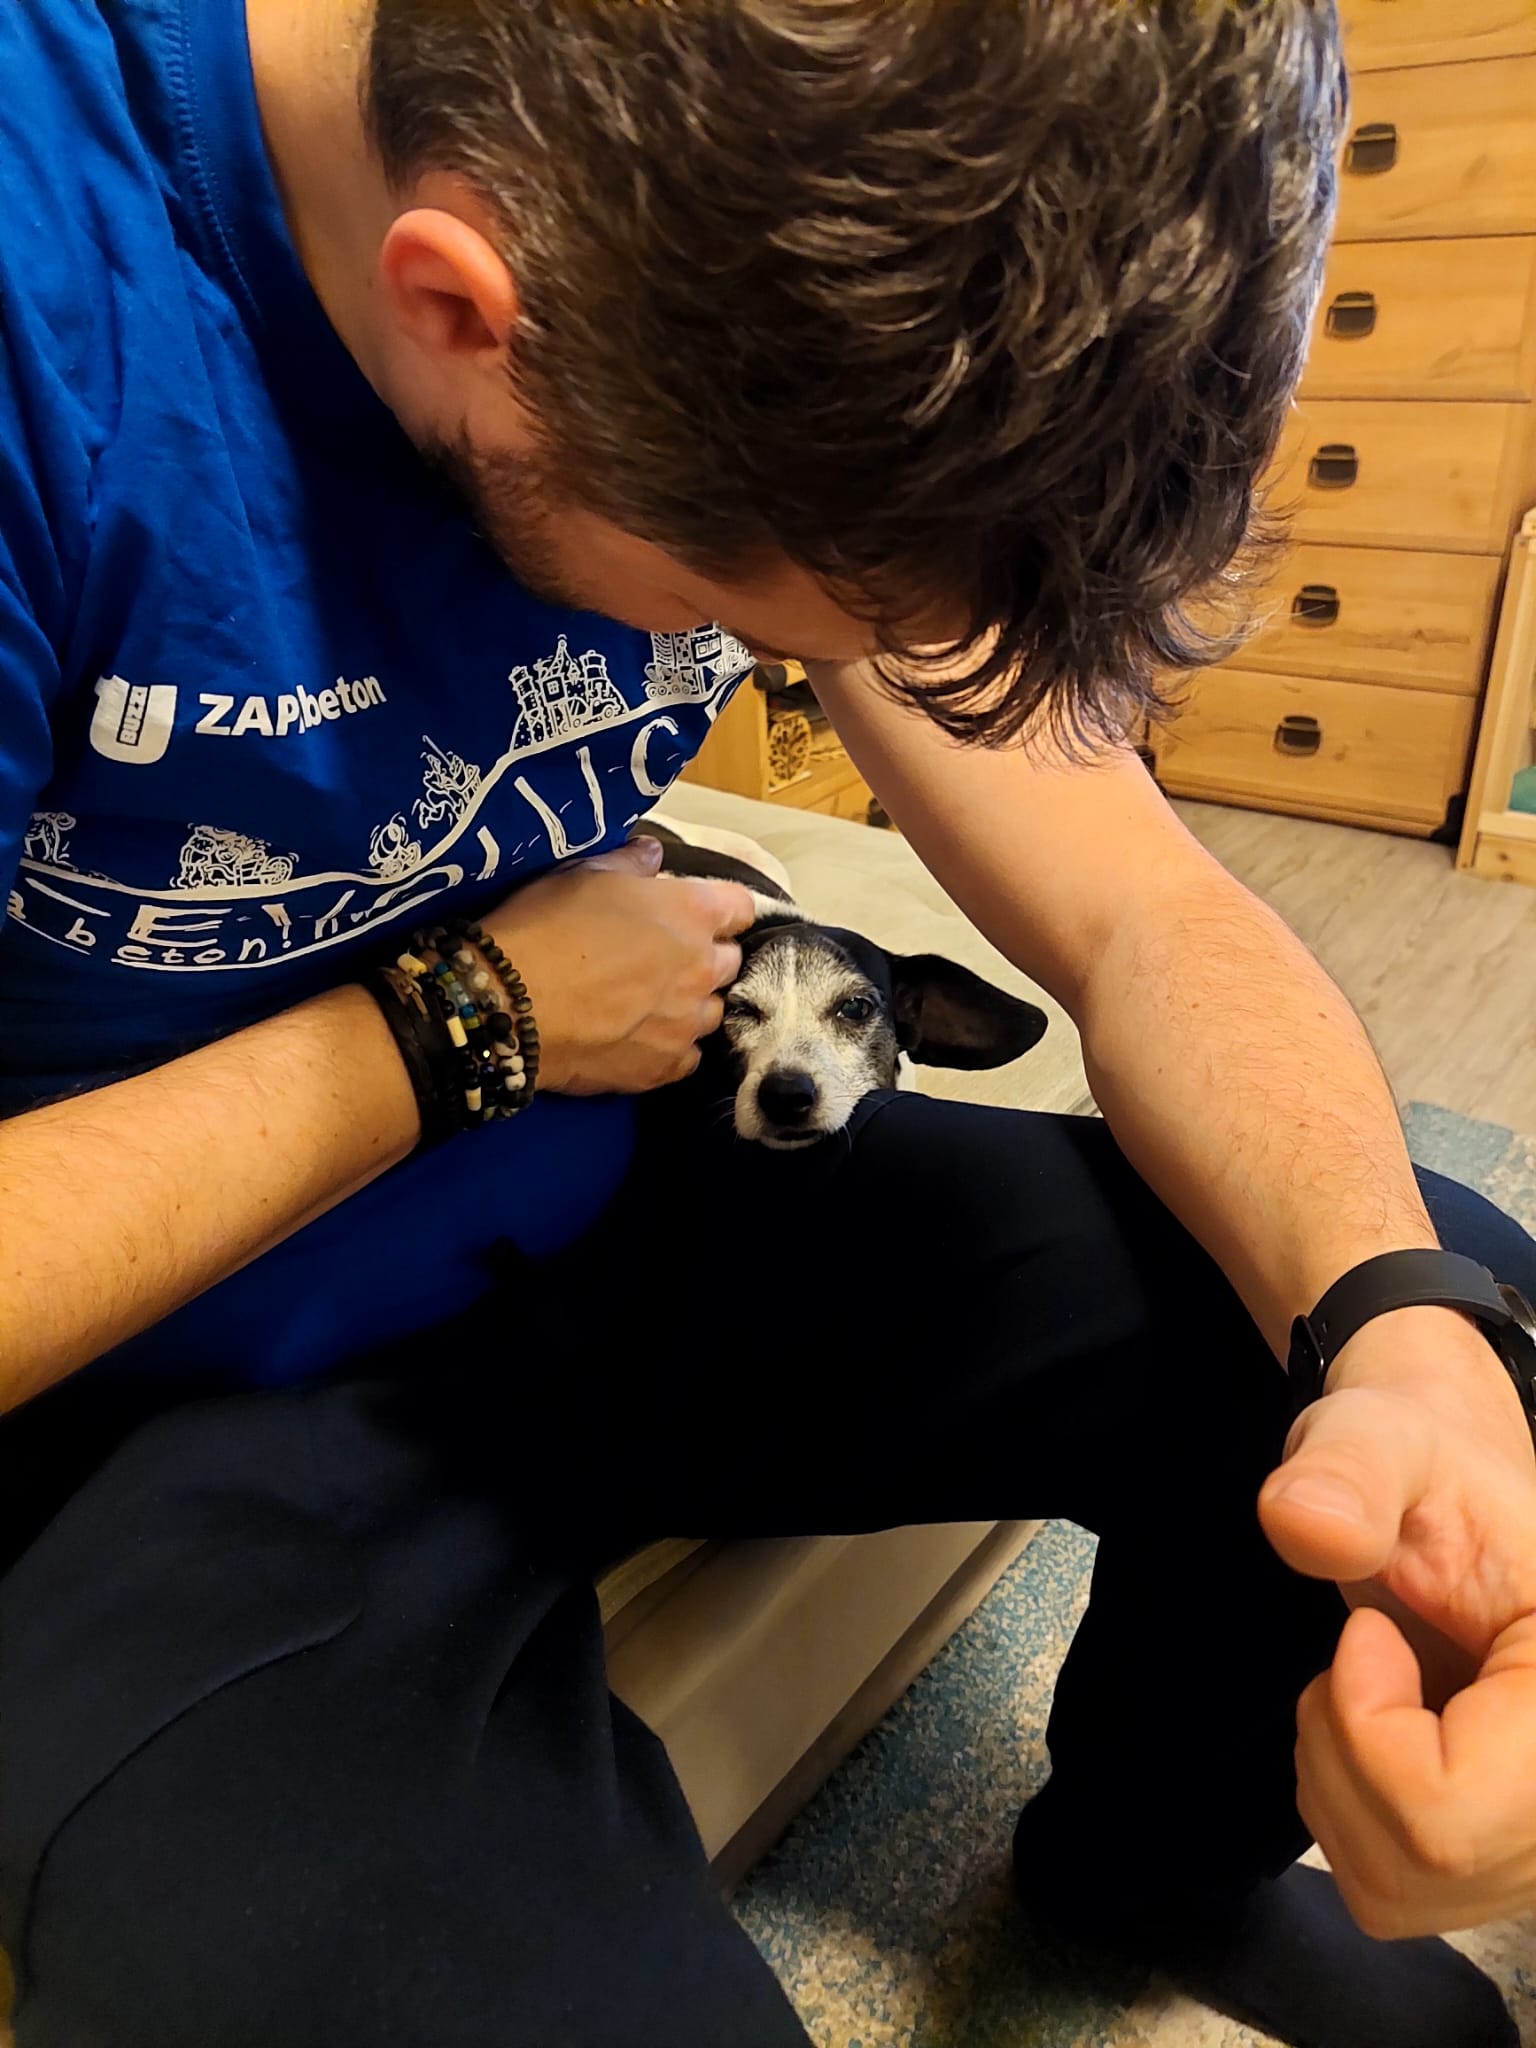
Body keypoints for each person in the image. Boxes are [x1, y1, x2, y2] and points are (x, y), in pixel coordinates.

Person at [0, 2, 1533, 2044]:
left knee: (1440, 1310)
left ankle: (1151, 1869)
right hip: (151, 1382)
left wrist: (1395, 1325)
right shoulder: (56, 292)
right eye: (759, 623)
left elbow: (1142, 905)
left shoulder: (770, 306)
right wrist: (466, 1023)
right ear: (464, 310)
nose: (800, 670)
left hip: (625, 1198)